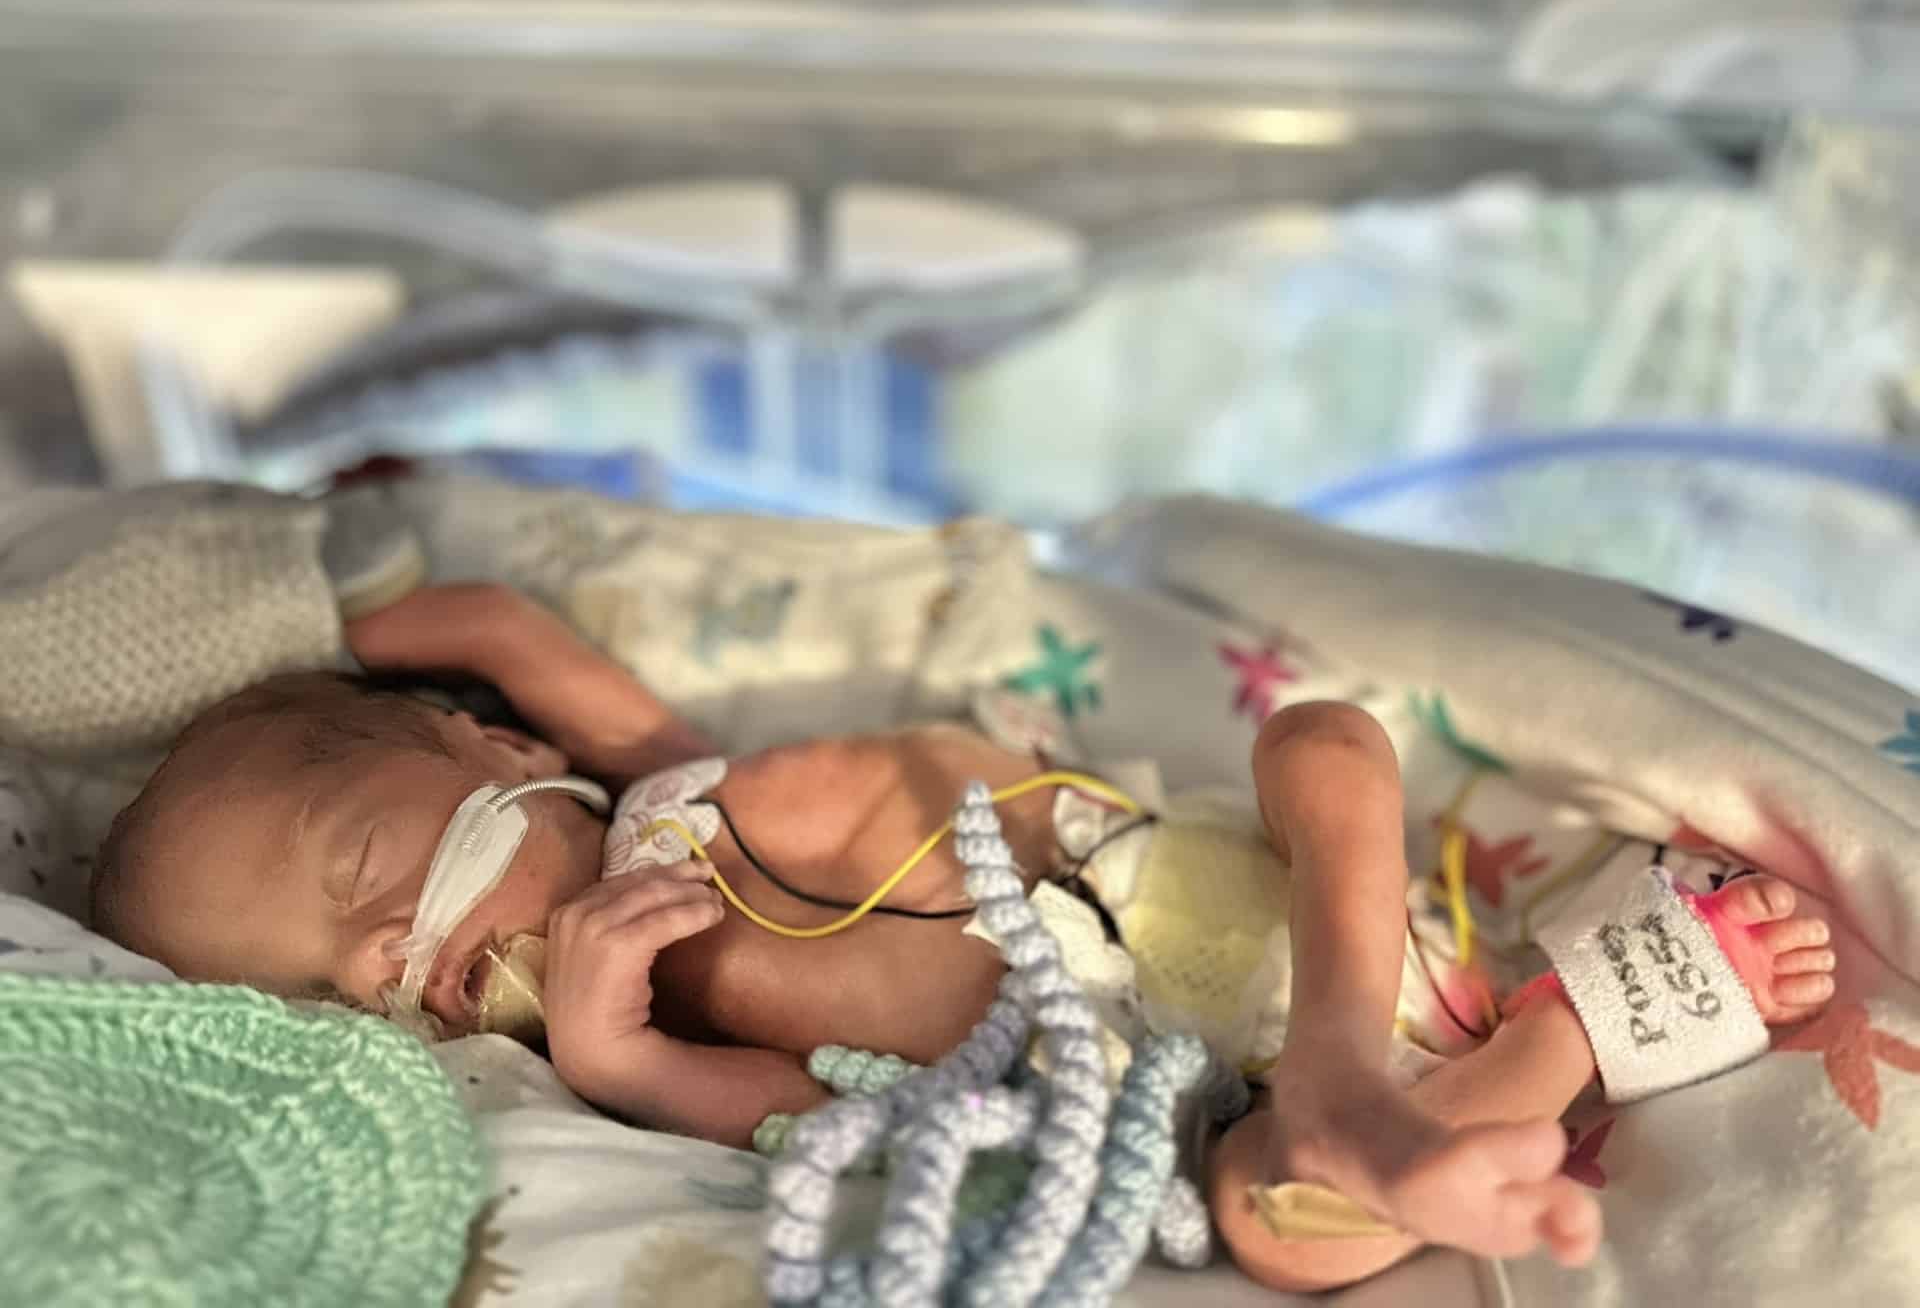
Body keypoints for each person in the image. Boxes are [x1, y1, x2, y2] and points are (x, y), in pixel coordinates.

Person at [90, 581, 1837, 1291]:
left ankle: (1391, 1075)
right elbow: (805, 1102)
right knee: (1280, 1232)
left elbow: (518, 643)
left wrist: (336, 600)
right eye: (329, 989)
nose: (390, 949)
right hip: (1194, 1075)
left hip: (1255, 903)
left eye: (354, 861)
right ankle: (1569, 1034)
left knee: (1325, 742)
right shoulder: (593, 1043)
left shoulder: (651, 793)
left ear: (490, 749)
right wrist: (632, 1055)